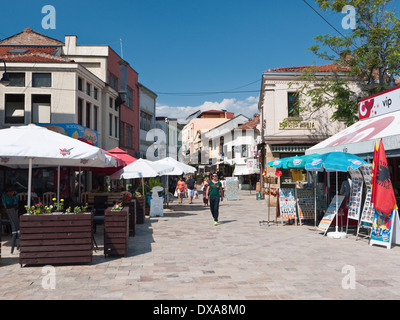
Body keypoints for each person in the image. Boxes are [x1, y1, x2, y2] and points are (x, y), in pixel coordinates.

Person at [1, 185, 19, 253]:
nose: (10, 193)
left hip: (13, 209)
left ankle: (11, 231)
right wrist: (6, 210)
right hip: (6, 209)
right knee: (7, 216)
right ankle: (8, 231)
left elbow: (16, 204)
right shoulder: (4, 196)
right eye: (9, 192)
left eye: (11, 192)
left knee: (13, 216)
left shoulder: (15, 195)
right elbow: (4, 205)